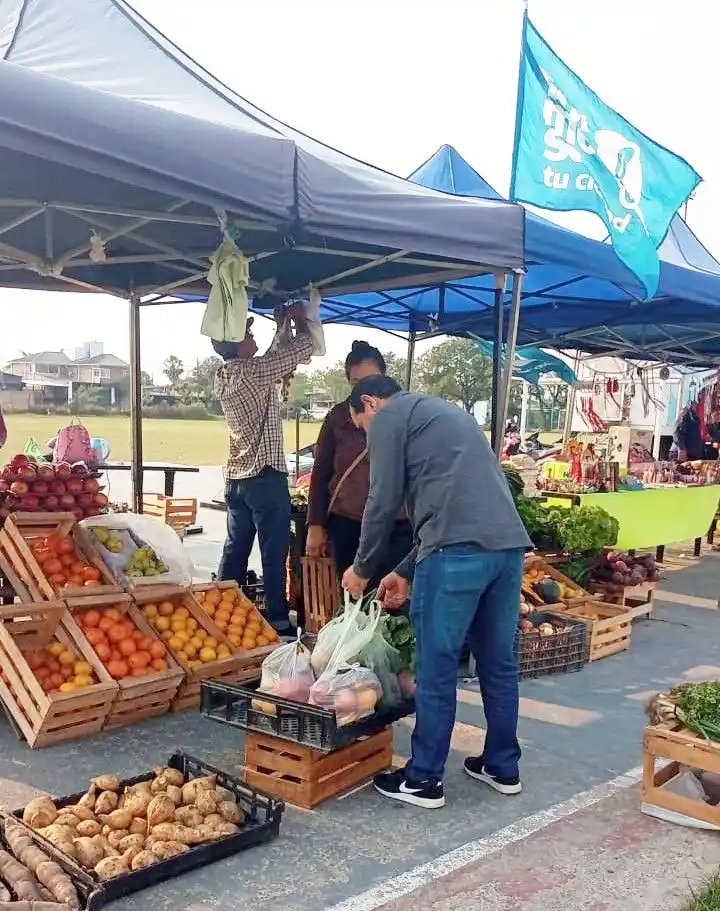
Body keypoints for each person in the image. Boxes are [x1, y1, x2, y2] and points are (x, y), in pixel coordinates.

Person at [342, 376, 532, 810]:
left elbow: (381, 500)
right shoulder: (443, 413)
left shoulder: (389, 417)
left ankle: (424, 779)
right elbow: (454, 504)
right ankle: (502, 766)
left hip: (454, 556)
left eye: (361, 425)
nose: (367, 436)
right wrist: (404, 570)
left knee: (436, 666)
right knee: (498, 662)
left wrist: (362, 568)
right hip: (506, 551)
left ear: (370, 403)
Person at [214, 310, 314, 634]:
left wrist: (281, 327)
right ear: (236, 344)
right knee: (274, 554)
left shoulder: (224, 374)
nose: (252, 336)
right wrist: (302, 321)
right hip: (264, 477)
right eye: (247, 334)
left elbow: (273, 359)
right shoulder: (254, 373)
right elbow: (304, 348)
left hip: (237, 479)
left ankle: (220, 615)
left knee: (234, 551)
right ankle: (279, 622)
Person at [305, 341, 413, 589]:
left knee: (392, 598)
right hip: (348, 525)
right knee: (353, 595)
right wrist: (315, 524)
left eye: (371, 380)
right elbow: (320, 474)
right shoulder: (338, 417)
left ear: (385, 377)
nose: (366, 390)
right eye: (356, 383)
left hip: (397, 526)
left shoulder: (406, 416)